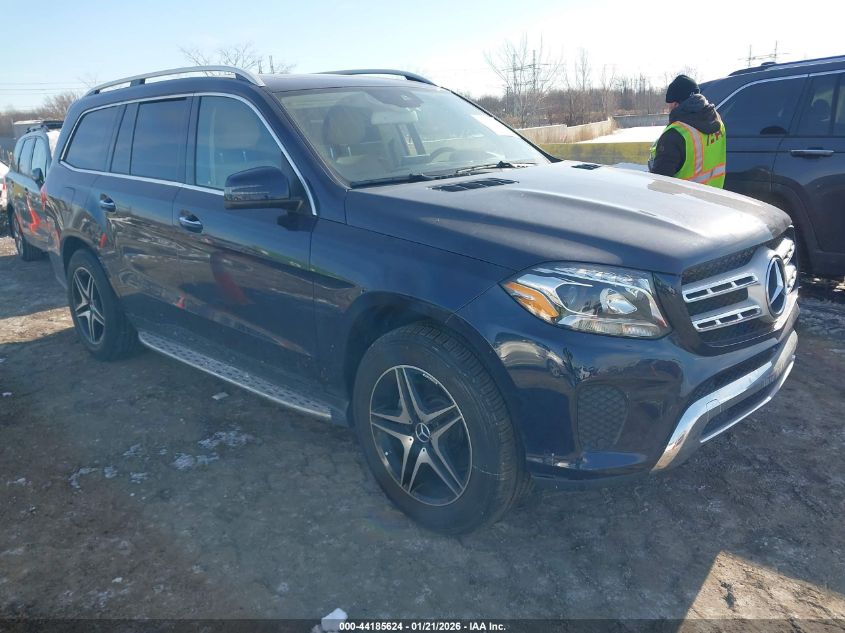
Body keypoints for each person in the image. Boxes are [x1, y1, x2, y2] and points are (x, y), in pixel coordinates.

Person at [649, 74, 726, 188]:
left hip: (683, 202)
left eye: (669, 103)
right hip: (713, 199)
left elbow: (659, 185)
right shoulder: (716, 120)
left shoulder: (675, 135)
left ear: (675, 104)